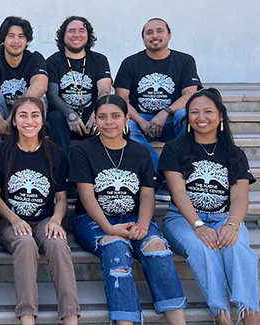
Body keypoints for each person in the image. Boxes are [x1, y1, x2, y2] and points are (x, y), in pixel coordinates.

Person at [71, 94, 187, 325]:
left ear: (126, 119)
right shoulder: (83, 150)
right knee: (116, 247)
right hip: (93, 220)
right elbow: (86, 195)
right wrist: (109, 228)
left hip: (134, 216)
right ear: (95, 119)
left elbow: (147, 194)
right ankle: (125, 321)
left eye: (115, 116)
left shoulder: (140, 151)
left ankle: (178, 320)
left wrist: (143, 225)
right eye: (102, 117)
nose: (109, 122)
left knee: (156, 247)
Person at [159, 88, 259, 325]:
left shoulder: (234, 153)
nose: (200, 117)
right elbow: (178, 192)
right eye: (194, 112)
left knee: (238, 249)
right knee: (203, 248)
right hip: (182, 220)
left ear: (220, 116)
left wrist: (232, 225)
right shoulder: (175, 148)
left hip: (225, 216)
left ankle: (251, 318)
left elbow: (240, 197)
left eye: (207, 111)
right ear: (187, 117)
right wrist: (198, 225)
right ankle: (222, 318)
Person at [0, 97, 80, 325]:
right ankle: (27, 317)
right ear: (14, 121)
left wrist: (56, 221)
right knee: (26, 242)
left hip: (45, 218)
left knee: (58, 244)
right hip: (10, 221)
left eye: (35, 115)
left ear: (42, 119)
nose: (29, 121)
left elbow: (61, 198)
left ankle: (70, 317)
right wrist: (14, 219)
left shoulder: (55, 153)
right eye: (23, 115)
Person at [114, 18, 202, 201]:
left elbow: (190, 95)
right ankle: (163, 175)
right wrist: (141, 121)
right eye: (149, 32)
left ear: (169, 35)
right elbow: (121, 99)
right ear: (143, 38)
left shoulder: (184, 61)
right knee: (124, 123)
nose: (155, 36)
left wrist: (165, 113)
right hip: (142, 119)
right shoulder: (131, 63)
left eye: (159, 31)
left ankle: (186, 169)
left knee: (186, 115)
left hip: (171, 120)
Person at [46, 16, 111, 158]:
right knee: (56, 118)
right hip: (63, 116)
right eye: (71, 31)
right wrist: (69, 113)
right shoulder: (53, 61)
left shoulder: (99, 60)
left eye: (82, 30)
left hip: (90, 115)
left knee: (105, 117)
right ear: (63, 35)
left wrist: (97, 112)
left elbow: (105, 90)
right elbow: (51, 94)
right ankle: (63, 172)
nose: (77, 35)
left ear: (88, 35)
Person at [0, 16, 48, 147]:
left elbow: (41, 86)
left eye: (21, 36)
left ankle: (33, 148)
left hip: (24, 115)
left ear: (27, 41)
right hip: (0, 112)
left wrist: (13, 118)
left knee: (38, 100)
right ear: (3, 40)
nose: (16, 41)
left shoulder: (35, 59)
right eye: (11, 36)